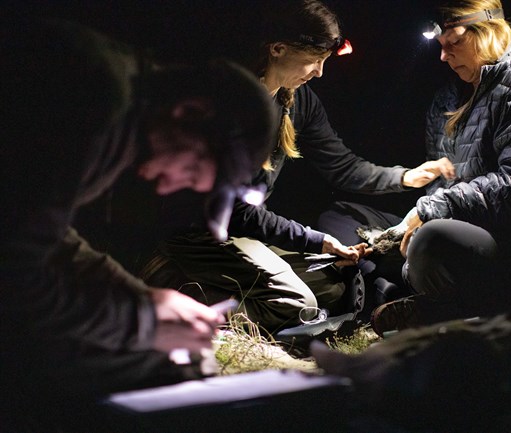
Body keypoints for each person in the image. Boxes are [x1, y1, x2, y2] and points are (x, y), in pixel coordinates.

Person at [0, 17, 275, 431]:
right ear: (191, 112)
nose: (180, 187)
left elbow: (43, 236)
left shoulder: (124, 103)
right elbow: (14, 280)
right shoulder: (94, 100)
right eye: (198, 167)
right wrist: (142, 322)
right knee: (158, 365)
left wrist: (143, 298)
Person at [140, 0, 445, 333]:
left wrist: (403, 177)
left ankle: (210, 285)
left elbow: (340, 165)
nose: (319, 72)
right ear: (278, 49)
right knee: (298, 305)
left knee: (332, 284)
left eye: (324, 61)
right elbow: (239, 211)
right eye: (314, 60)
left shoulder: (298, 100)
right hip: (199, 234)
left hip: (243, 231)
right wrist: (315, 240)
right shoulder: (230, 104)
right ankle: (173, 296)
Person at [350, 0, 511, 335]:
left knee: (431, 241)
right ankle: (420, 298)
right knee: (344, 218)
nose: (444, 56)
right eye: (441, 46)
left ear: (489, 32)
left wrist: (435, 210)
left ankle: (439, 299)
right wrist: (416, 218)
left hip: (507, 240)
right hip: (453, 220)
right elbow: (441, 186)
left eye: (455, 43)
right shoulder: (448, 96)